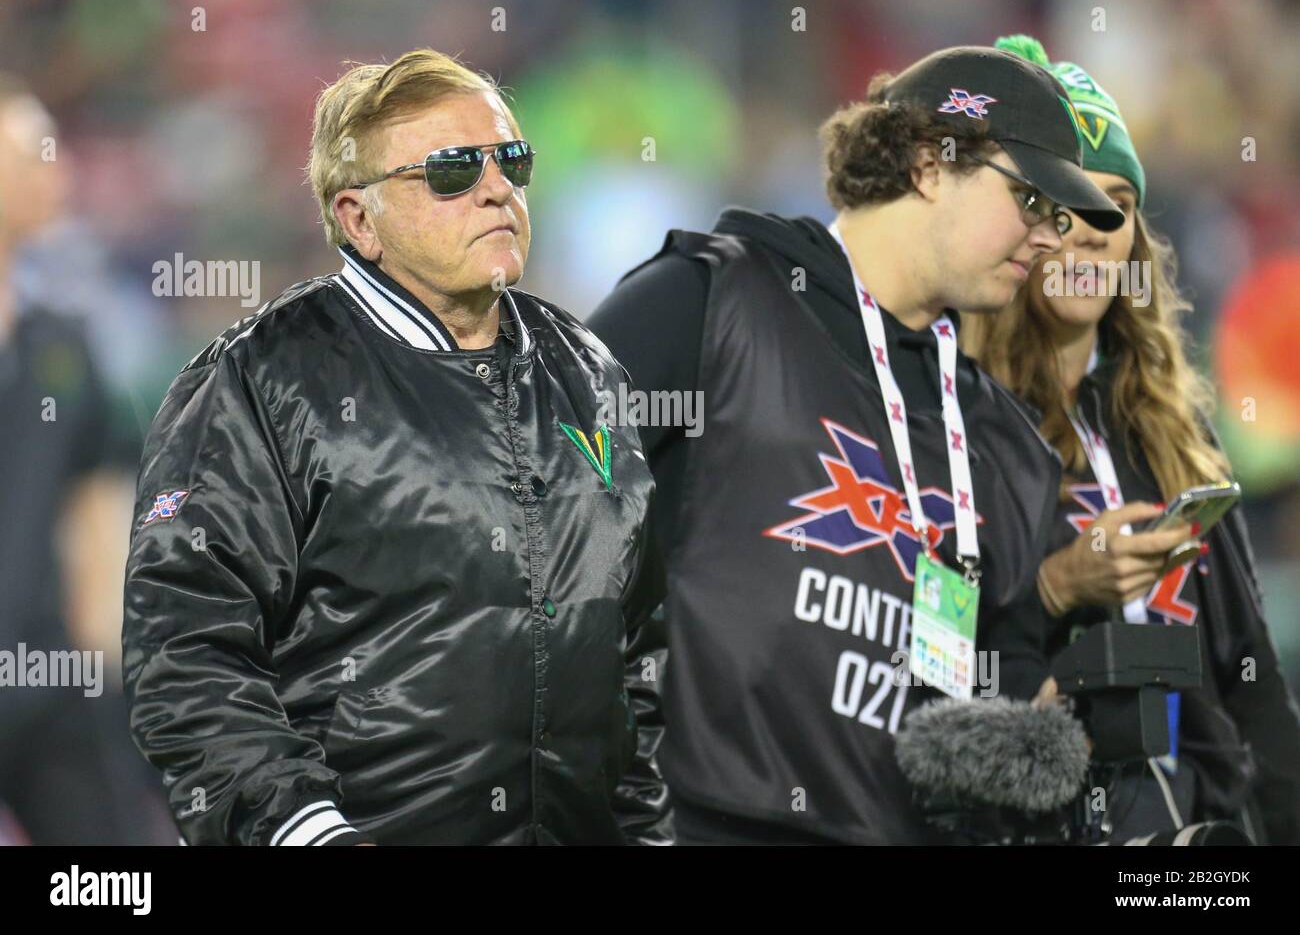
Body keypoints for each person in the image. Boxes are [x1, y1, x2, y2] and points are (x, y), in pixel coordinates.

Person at [122, 49, 670, 845]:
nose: (496, 189)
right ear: (357, 219)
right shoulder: (262, 378)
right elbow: (186, 654)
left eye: (511, 161)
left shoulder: (587, 369)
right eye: (450, 170)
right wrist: (307, 833)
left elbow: (638, 656)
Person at [587, 46, 1124, 844]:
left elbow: (996, 673)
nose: (1048, 239)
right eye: (1030, 199)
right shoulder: (702, 303)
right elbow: (545, 517)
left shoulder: (1007, 446)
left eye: (1058, 216)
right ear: (928, 165)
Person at [962, 35, 1300, 844]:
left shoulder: (1167, 425)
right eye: (1062, 200)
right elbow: (920, 679)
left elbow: (1251, 681)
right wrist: (1056, 588)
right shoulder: (949, 420)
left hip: (1193, 842)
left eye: (1114, 201)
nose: (1089, 231)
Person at [0, 74, 171, 844]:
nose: (53, 169)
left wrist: (107, 673)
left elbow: (100, 510)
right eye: (29, 149)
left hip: (50, 686)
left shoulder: (60, 349)